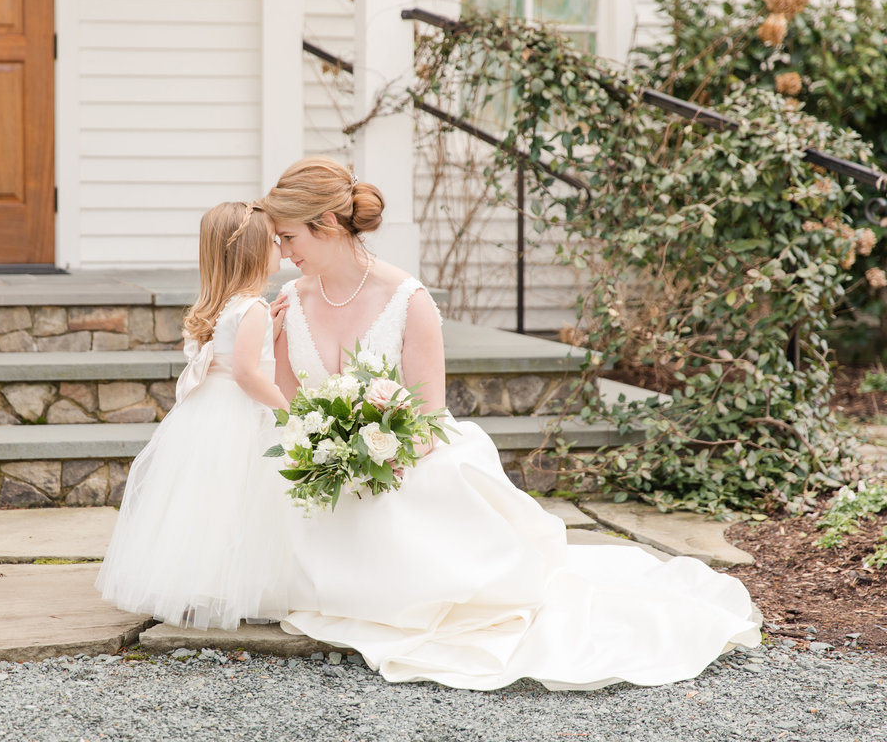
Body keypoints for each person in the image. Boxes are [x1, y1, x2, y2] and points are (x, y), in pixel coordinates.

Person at [261, 156, 761, 691]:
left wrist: (375, 457)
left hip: (408, 456)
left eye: (289, 238)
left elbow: (427, 419)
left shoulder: (408, 301)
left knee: (413, 506)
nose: (283, 254)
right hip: (329, 459)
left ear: (328, 225)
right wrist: (323, 446)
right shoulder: (290, 301)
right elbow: (293, 407)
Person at [96, 201, 293, 630]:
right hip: (238, 412)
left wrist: (271, 330)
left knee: (203, 501)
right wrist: (285, 406)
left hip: (206, 411)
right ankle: (232, 590)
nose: (284, 248)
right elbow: (245, 372)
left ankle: (191, 584)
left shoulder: (220, 306)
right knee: (238, 500)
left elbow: (226, 355)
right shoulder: (252, 308)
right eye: (277, 241)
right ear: (256, 251)